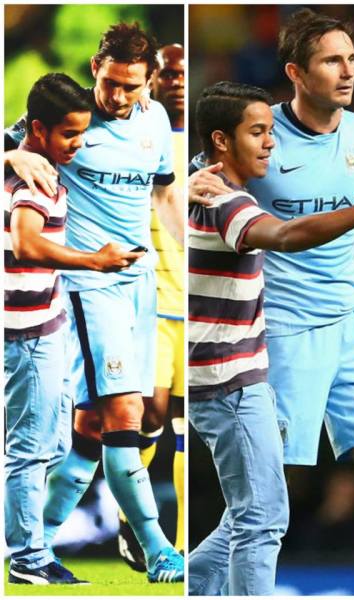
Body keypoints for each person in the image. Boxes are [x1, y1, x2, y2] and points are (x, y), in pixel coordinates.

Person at [190, 7, 354, 551]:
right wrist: (180, 189)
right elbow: (197, 183)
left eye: (351, 58)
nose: (348, 71)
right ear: (296, 73)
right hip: (283, 327)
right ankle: (211, 583)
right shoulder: (258, 132)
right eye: (331, 61)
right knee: (265, 496)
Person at [6, 23, 185, 583]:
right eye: (111, 83)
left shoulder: (155, 120)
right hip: (89, 287)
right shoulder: (71, 119)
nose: (118, 97)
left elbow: (160, 192)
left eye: (131, 87)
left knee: (87, 431)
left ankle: (31, 546)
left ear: (148, 81)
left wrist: (189, 263)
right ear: (95, 69)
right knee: (125, 416)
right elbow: (16, 144)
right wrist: (11, 158)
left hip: (140, 284)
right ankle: (158, 549)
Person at [4, 73, 141, 585]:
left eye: (83, 133)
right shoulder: (31, 179)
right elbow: (27, 244)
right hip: (23, 333)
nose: (78, 144)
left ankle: (29, 546)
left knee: (53, 444)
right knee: (29, 448)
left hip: (45, 323)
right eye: (69, 134)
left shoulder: (33, 164)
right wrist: (95, 262)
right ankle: (28, 558)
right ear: (37, 129)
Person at [118, 42, 186, 570]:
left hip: (199, 300)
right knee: (151, 412)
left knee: (188, 421)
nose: (177, 80)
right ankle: (130, 522)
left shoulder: (209, 144)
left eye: (185, 72)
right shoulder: (135, 134)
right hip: (151, 296)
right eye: (168, 72)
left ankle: (180, 541)